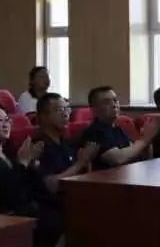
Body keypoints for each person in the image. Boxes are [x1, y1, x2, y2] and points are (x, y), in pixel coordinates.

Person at [33, 93, 98, 247]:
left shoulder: (66, 143)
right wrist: (80, 163)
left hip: (73, 200)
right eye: (58, 110)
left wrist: (86, 163)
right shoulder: (38, 146)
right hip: (51, 207)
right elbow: (52, 185)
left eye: (66, 109)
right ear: (43, 116)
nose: (65, 114)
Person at [79, 86, 160, 171]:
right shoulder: (94, 132)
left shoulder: (117, 129)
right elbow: (117, 159)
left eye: (115, 100)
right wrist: (144, 139)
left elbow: (137, 155)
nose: (114, 105)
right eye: (106, 102)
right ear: (94, 110)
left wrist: (148, 139)